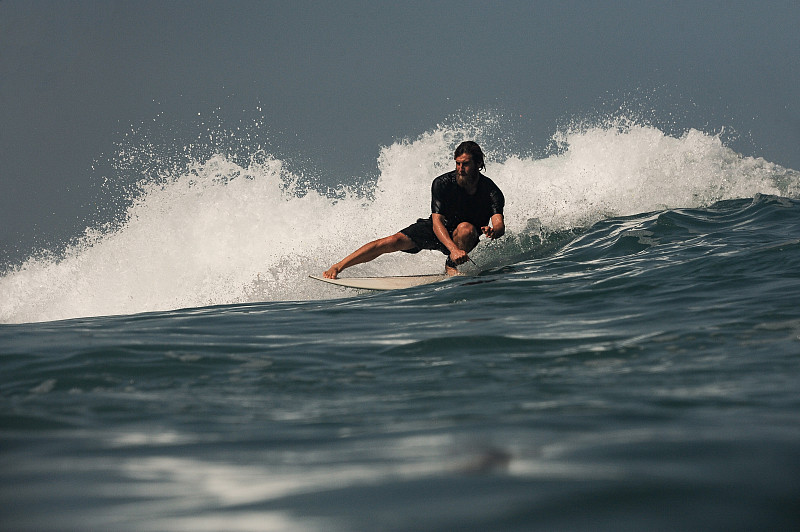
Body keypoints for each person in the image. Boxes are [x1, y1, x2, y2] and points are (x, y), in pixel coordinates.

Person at [323, 141, 505, 279]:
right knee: (392, 241)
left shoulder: (491, 191)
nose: (460, 169)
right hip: (440, 231)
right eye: (457, 163)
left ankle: (451, 266)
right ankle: (339, 266)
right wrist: (452, 248)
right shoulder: (442, 183)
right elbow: (436, 222)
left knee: (466, 228)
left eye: (465, 164)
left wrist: (493, 231)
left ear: (478, 164)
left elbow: (499, 224)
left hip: (465, 238)